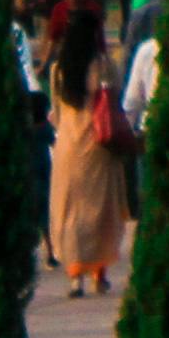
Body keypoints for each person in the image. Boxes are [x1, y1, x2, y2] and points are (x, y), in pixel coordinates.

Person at [41, 18, 132, 301]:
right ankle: (99, 274)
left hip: (68, 146)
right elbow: (117, 98)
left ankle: (74, 276)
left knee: (70, 211)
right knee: (100, 211)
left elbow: (55, 110)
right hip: (98, 146)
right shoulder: (104, 66)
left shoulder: (58, 71)